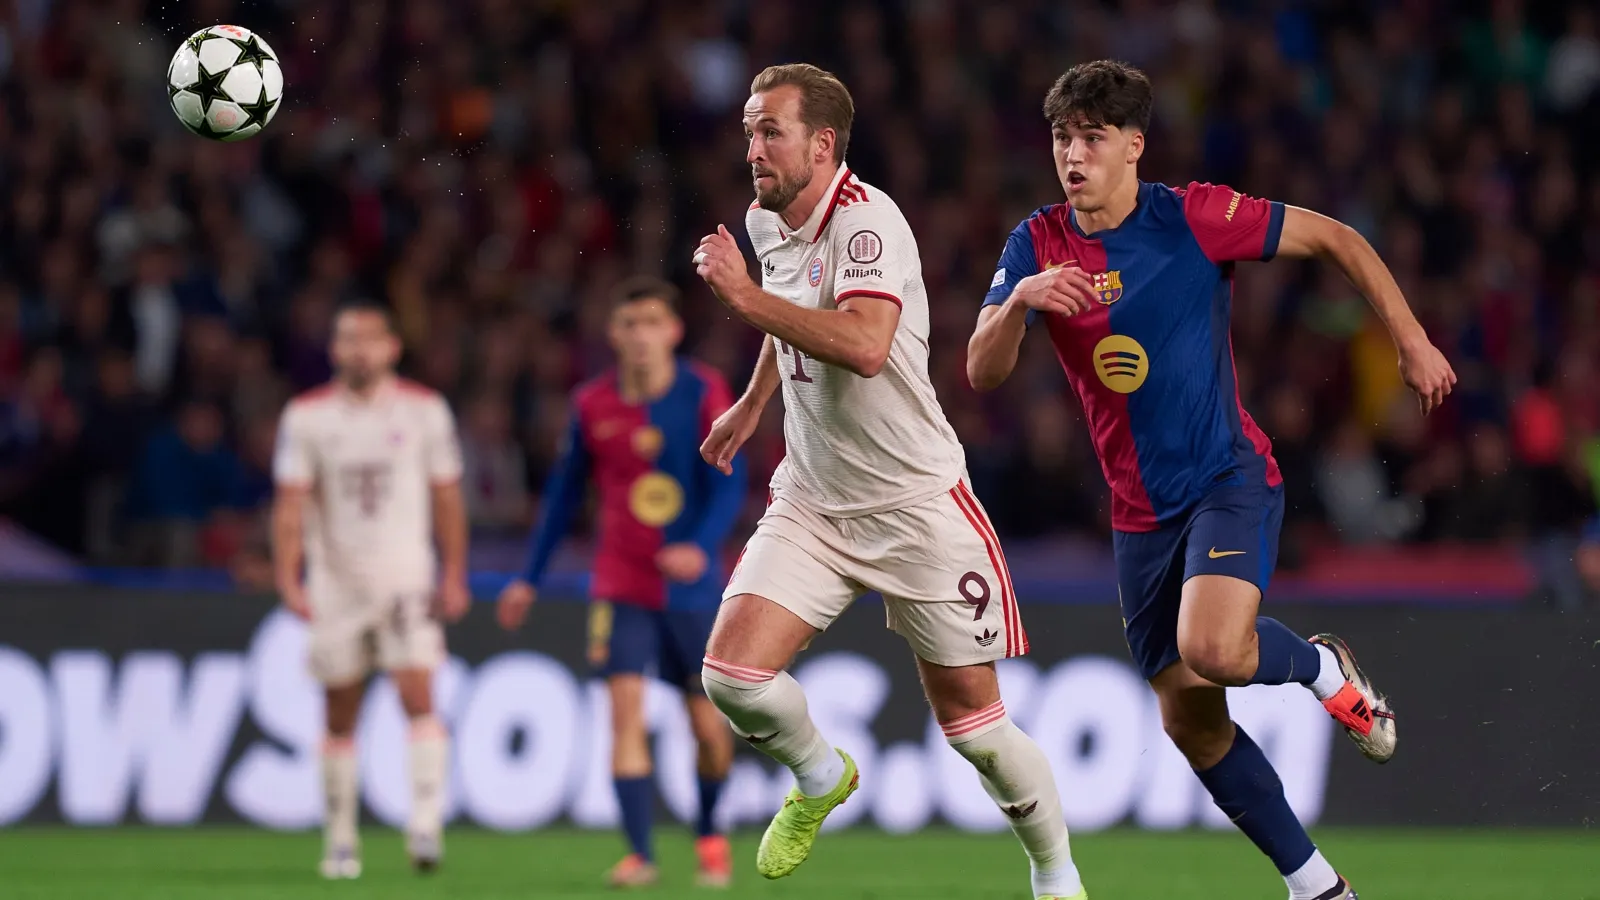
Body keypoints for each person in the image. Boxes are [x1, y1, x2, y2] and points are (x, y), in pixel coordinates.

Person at [966, 60, 1457, 900]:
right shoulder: (1035, 244)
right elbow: (981, 371)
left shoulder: (1193, 216)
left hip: (1226, 478)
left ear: (1133, 147)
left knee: (1215, 650)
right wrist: (1021, 304)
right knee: (1190, 723)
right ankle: (1318, 888)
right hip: (1137, 516)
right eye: (1060, 139)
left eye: (1091, 139)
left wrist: (1410, 338)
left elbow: (1339, 237)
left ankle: (1319, 670)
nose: (1072, 157)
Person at [691, 64, 1088, 900]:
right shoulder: (767, 221)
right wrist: (753, 406)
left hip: (915, 506)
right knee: (731, 677)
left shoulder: (870, 224)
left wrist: (738, 299)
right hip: (812, 498)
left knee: (975, 732)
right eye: (750, 131)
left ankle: (1056, 875)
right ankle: (820, 774)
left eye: (771, 131)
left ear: (822, 143)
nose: (754, 148)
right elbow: (786, 309)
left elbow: (865, 344)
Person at [496, 277, 745, 889]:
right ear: (614, 334)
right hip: (619, 582)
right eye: (629, 324)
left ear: (673, 331)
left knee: (708, 731)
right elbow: (560, 498)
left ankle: (709, 834)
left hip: (690, 589)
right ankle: (641, 854)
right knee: (623, 713)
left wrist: (698, 546)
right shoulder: (591, 404)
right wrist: (528, 578)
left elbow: (730, 480)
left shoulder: (703, 390)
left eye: (651, 323)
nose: (640, 336)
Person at [271, 299, 470, 879]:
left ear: (391, 347)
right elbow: (289, 506)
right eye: (347, 340)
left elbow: (448, 496)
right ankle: (339, 839)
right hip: (335, 584)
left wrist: (453, 572)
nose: (359, 350)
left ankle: (425, 827)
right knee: (339, 713)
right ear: (334, 350)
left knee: (418, 696)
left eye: (369, 339)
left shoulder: (424, 410)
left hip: (406, 580)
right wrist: (289, 575)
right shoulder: (306, 416)